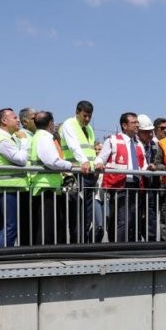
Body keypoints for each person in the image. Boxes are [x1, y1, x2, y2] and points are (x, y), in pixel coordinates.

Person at [95, 112, 148, 242]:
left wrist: (150, 168)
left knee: (128, 219)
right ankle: (119, 248)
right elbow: (99, 159)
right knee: (124, 219)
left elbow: (144, 165)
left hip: (135, 186)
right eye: (134, 122)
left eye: (137, 123)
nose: (137, 125)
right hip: (119, 185)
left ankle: (118, 244)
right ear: (124, 125)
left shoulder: (139, 144)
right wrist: (99, 164)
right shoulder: (112, 141)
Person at [0, 108, 30, 247]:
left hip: (12, 187)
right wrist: (24, 142)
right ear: (4, 121)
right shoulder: (2, 139)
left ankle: (3, 255)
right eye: (14, 117)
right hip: (7, 187)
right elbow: (21, 159)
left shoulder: (8, 137)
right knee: (10, 226)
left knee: (11, 225)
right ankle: (2, 257)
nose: (18, 120)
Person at [30, 111, 72, 245]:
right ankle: (44, 254)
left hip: (46, 186)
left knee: (49, 224)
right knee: (47, 226)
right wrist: (70, 165)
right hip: (46, 187)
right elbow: (52, 161)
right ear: (50, 123)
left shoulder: (38, 136)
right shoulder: (44, 137)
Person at [59, 100, 97, 243]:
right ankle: (77, 244)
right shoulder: (69, 124)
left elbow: (91, 150)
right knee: (77, 213)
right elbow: (74, 146)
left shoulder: (89, 129)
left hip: (89, 174)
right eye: (84, 116)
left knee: (87, 214)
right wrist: (83, 161)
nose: (87, 119)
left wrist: (96, 164)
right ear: (77, 112)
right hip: (75, 174)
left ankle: (84, 243)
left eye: (89, 116)